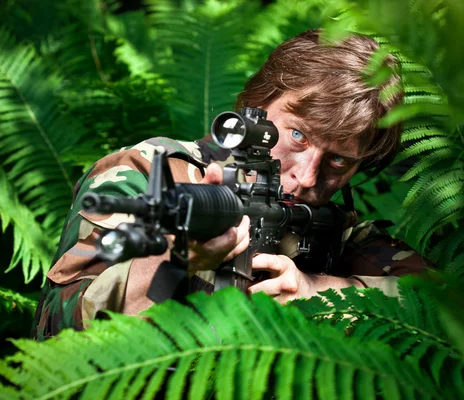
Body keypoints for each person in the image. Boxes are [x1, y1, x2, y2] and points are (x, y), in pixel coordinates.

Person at [31, 29, 431, 339]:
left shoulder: (332, 228)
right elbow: (57, 331)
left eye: (339, 159)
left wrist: (319, 292)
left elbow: (442, 310)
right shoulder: (145, 172)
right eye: (297, 136)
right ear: (260, 101)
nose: (307, 177)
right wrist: (172, 262)